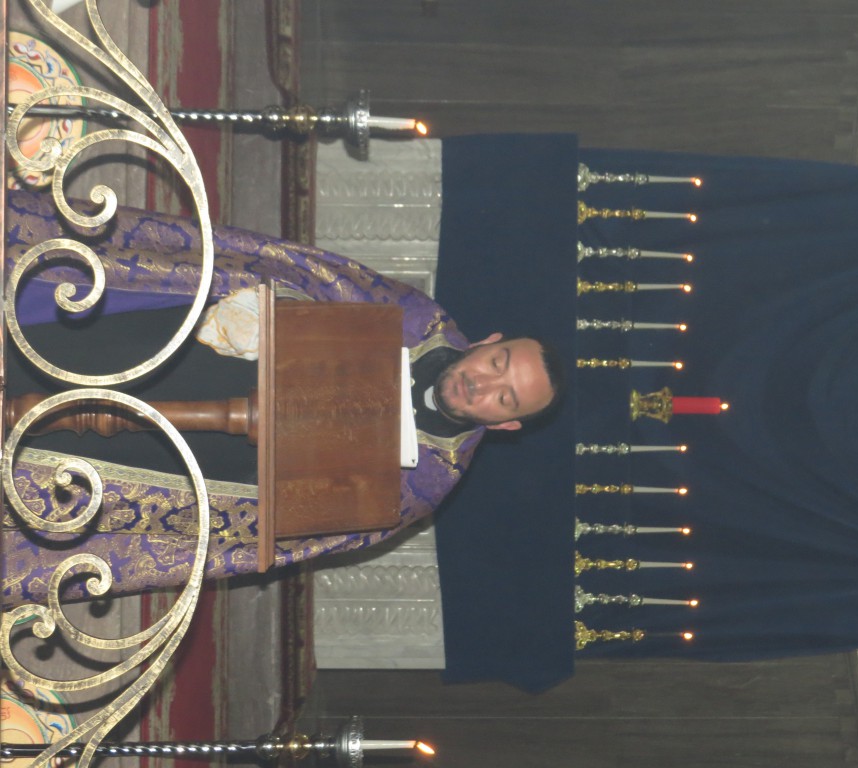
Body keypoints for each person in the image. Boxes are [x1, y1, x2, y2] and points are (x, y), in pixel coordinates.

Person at [1, 189, 563, 607]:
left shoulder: (428, 482)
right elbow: (306, 274)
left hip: (204, 462)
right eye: (497, 363)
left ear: (505, 426)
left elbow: (294, 530)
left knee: (73, 462)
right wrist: (272, 309)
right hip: (194, 351)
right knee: (80, 348)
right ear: (490, 342)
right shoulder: (415, 319)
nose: (483, 384)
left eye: (505, 399)